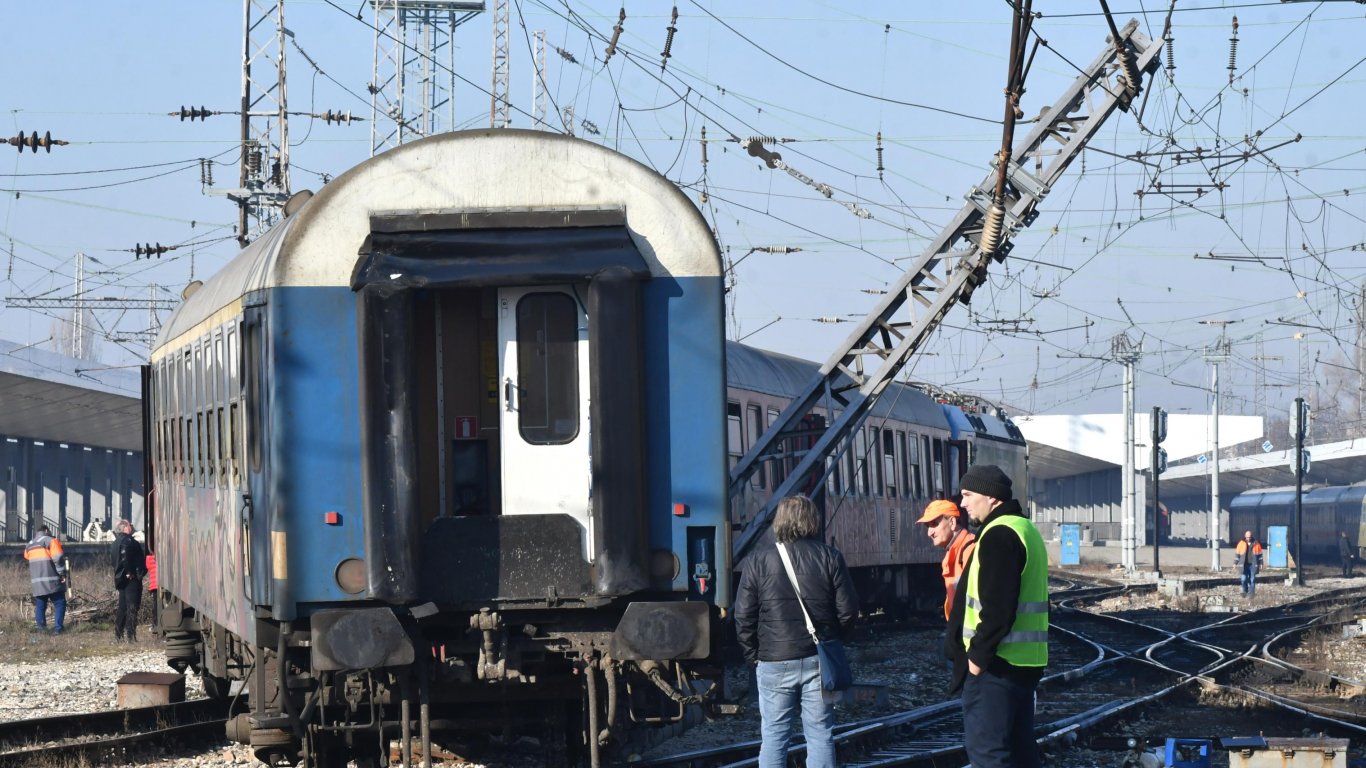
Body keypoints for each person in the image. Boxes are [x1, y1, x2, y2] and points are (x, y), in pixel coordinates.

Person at [734, 495, 859, 768]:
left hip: (773, 660)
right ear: (812, 521)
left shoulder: (758, 561)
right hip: (818, 660)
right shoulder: (830, 557)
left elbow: (743, 615)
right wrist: (832, 641)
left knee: (774, 737)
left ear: (779, 521)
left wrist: (752, 655)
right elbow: (848, 612)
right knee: (820, 734)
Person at [945, 465, 1048, 768]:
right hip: (1022, 665)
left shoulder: (998, 535)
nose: (962, 503)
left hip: (996, 668)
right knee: (1020, 755)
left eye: (968, 495)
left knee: (990, 757)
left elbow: (998, 608)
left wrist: (976, 660)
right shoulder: (1024, 528)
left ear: (991, 497)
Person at [916, 498, 976, 621]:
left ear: (952, 522)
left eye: (934, 524)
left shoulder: (969, 549)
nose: (929, 533)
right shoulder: (956, 551)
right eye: (927, 526)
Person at [24, 524, 67, 634]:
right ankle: (58, 629)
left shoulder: (29, 544)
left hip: (37, 582)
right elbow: (58, 557)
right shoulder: (51, 541)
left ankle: (41, 629)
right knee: (59, 603)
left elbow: (26, 556)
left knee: (40, 604)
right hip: (52, 580)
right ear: (46, 530)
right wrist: (62, 573)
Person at [112, 519, 148, 642]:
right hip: (131, 580)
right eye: (129, 525)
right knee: (132, 606)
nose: (132, 527)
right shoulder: (128, 541)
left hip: (120, 579)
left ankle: (118, 634)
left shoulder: (115, 542)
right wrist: (130, 572)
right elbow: (125, 556)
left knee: (122, 607)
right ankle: (131, 636)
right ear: (125, 528)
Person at [1235, 530, 1263, 597]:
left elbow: (1260, 555)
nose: (1248, 538)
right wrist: (1235, 563)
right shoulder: (1241, 543)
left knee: (1252, 579)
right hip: (1243, 565)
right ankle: (1245, 590)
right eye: (1247, 537)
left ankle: (1251, 594)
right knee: (1243, 579)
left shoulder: (1256, 544)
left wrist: (1261, 563)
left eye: (1249, 537)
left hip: (1253, 565)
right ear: (1245, 536)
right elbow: (1237, 554)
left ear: (1251, 536)